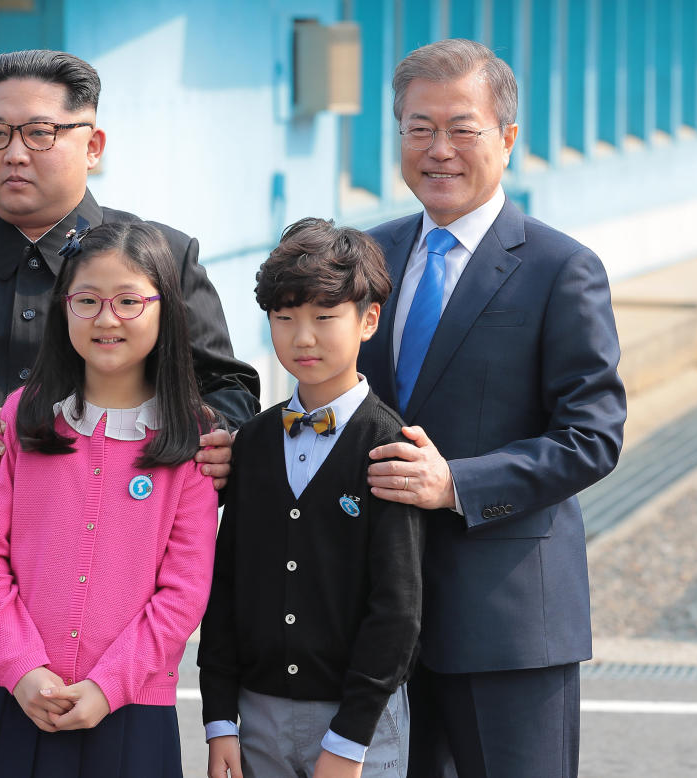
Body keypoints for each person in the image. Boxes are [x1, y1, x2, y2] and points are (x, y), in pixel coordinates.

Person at [0, 49, 259, 777]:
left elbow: (227, 389)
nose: (13, 152)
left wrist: (208, 440)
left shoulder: (158, 257)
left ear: (92, 142)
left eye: (39, 131)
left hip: (105, 618)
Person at [357, 39, 627, 777]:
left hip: (509, 623)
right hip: (377, 619)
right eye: (419, 128)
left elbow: (592, 437)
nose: (438, 150)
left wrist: (457, 486)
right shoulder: (367, 259)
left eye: (461, 128)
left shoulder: (560, 267)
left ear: (506, 139)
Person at [0, 221, 217, 777]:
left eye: (129, 301)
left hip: (130, 708)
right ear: (63, 308)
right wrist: (23, 668)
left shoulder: (191, 437)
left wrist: (107, 685)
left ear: (165, 310)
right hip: (19, 695)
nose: (106, 319)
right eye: (88, 300)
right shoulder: (23, 417)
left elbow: (184, 592)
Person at [198, 217, 425, 778]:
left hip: (359, 723)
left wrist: (349, 740)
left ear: (369, 319)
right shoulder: (250, 441)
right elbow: (225, 584)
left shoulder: (388, 446)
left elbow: (397, 608)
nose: (303, 337)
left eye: (325, 317)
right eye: (284, 318)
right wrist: (220, 718)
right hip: (256, 714)